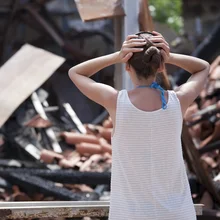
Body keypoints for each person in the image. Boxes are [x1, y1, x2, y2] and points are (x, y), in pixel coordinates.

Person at [68, 31, 210, 220]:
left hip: (130, 215)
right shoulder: (179, 101)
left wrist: (116, 56)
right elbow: (203, 67)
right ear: (160, 66)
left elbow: (75, 72)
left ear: (127, 66)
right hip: (178, 213)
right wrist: (171, 56)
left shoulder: (116, 102)